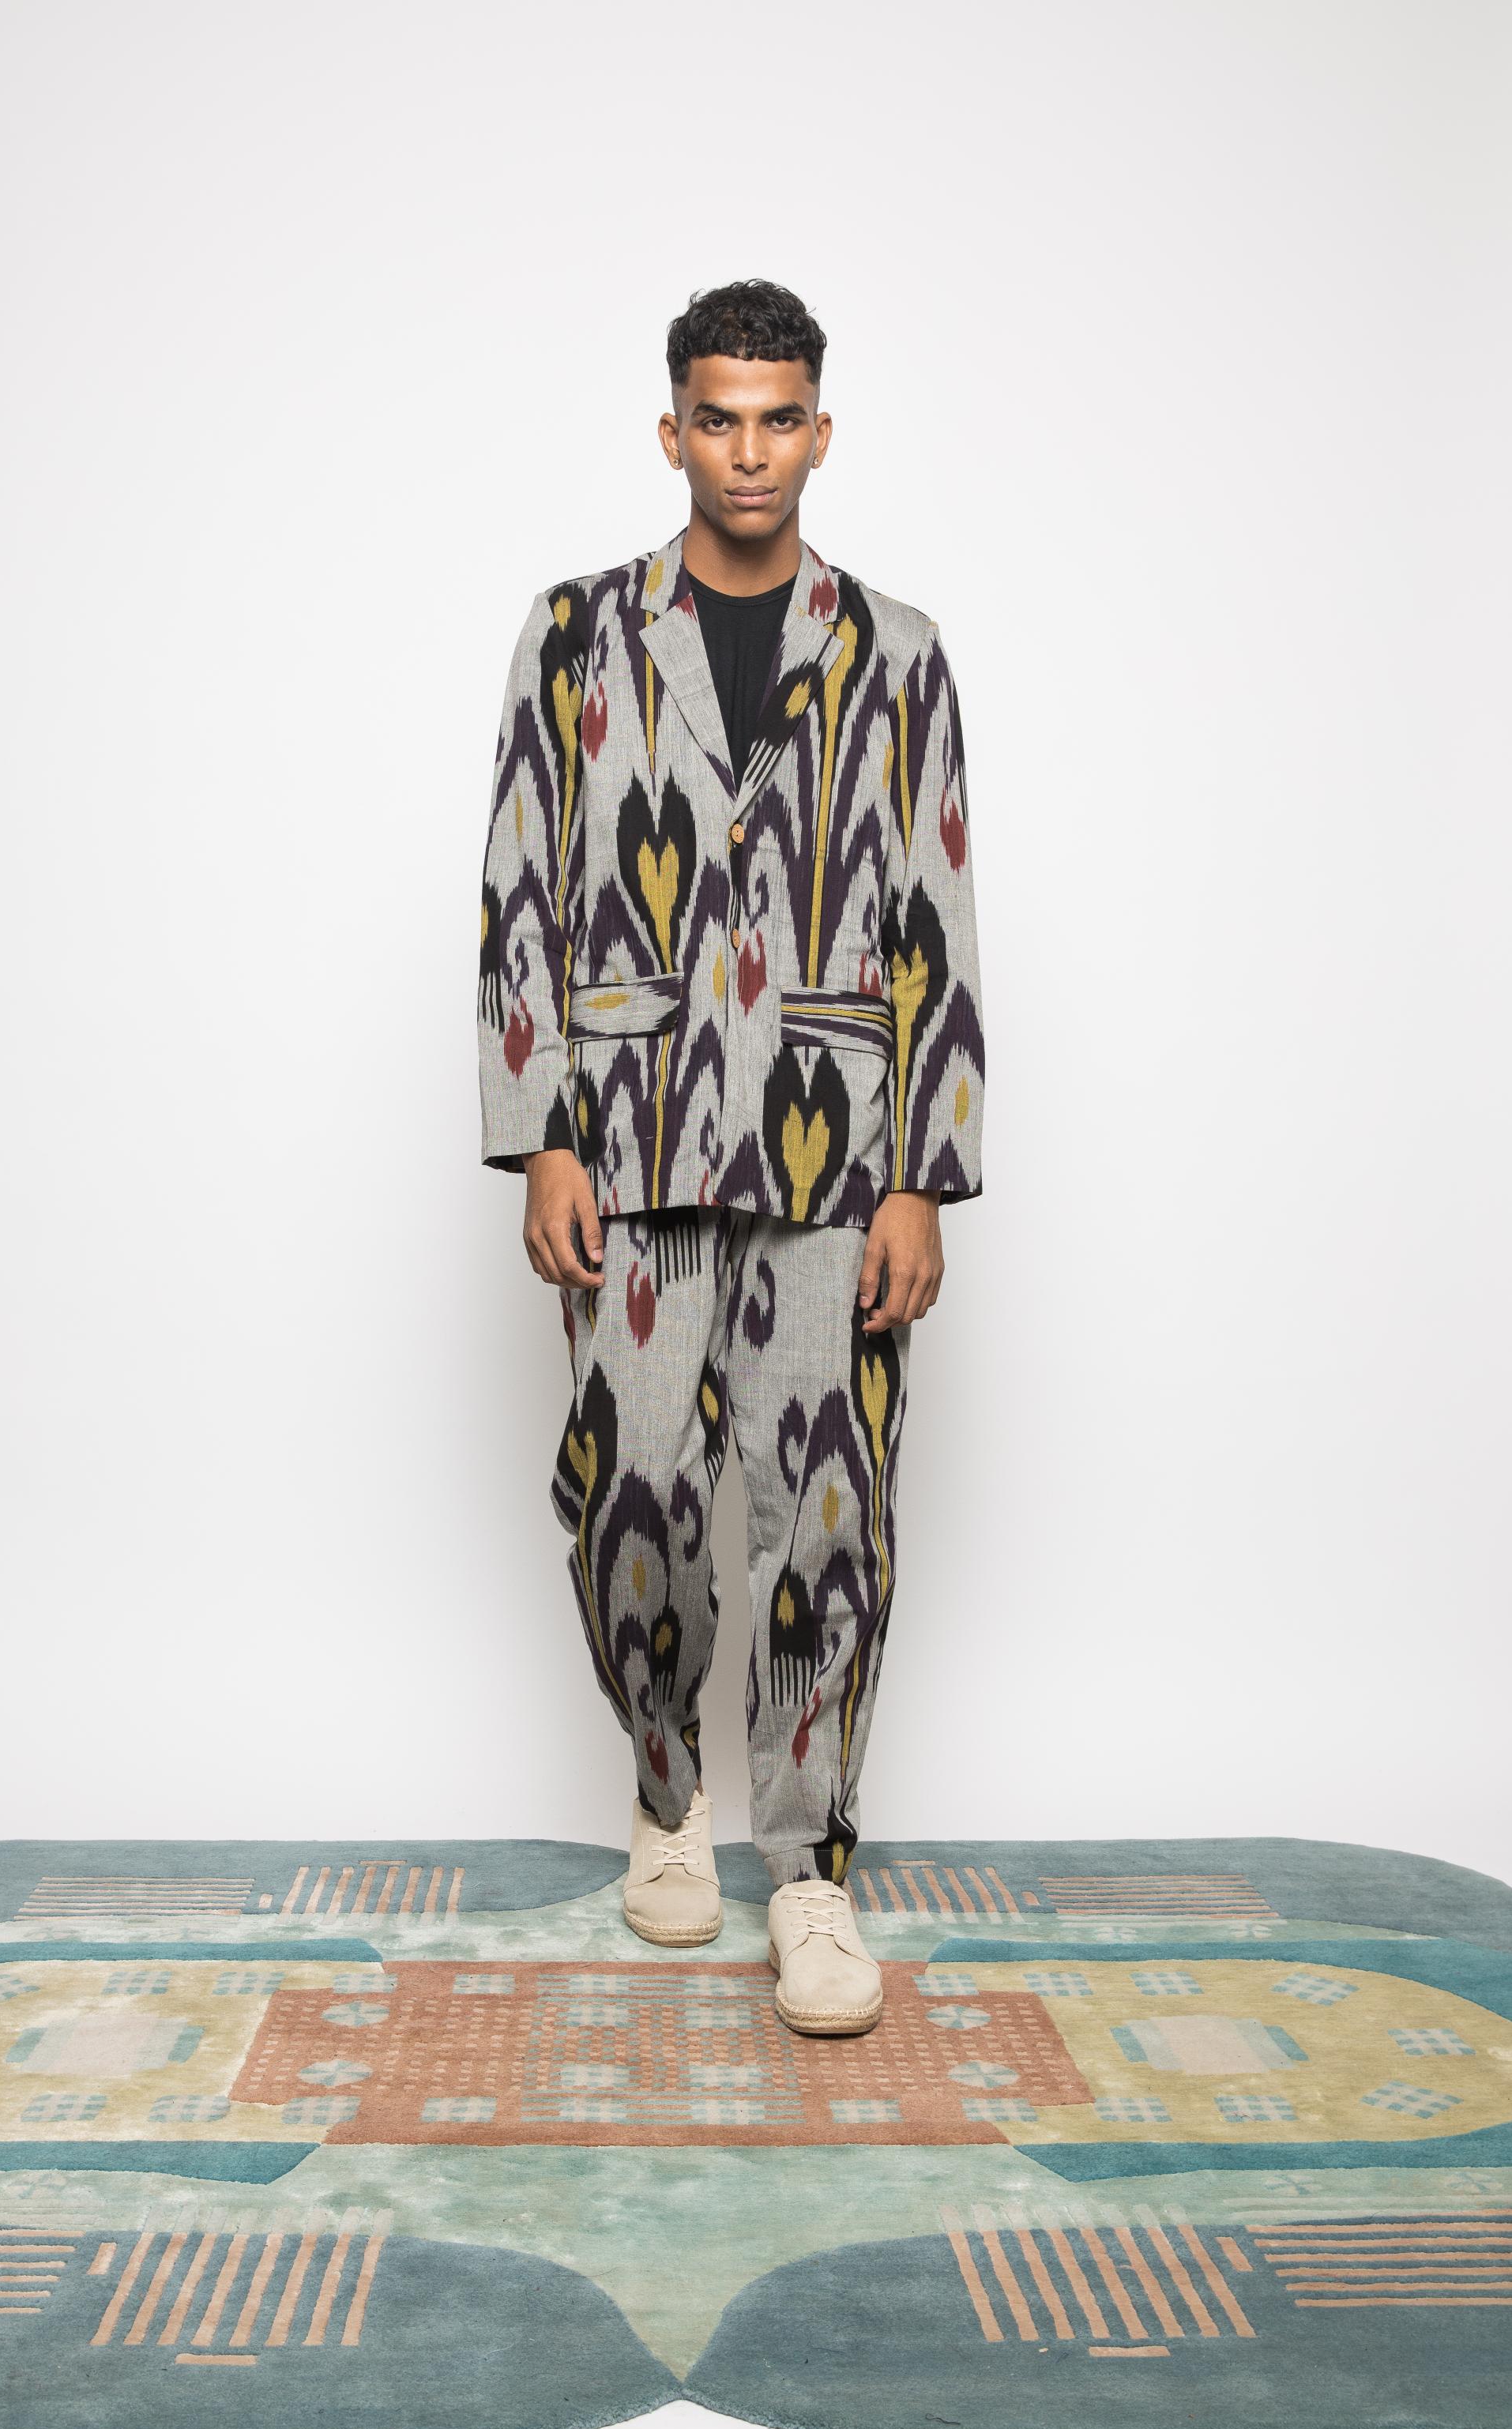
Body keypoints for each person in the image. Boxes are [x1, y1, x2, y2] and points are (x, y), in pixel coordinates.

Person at [476, 280, 984, 2037]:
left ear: (819, 433)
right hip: (625, 1140)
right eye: (717, 418)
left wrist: (923, 1173)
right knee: (629, 1496)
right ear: (671, 431)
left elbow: (934, 910)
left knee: (829, 1520)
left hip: (836, 1151)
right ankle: (664, 1794)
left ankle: (813, 1871)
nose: (747, 452)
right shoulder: (575, 634)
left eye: (777, 420)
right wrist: (538, 1135)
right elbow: (521, 883)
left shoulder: (896, 649)